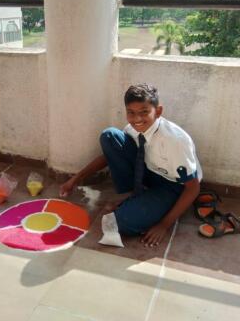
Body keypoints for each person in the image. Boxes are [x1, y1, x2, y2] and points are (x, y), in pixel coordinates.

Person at [59, 83, 202, 247]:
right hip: (151, 173)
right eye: (131, 113)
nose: (137, 119)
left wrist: (164, 225)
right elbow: (108, 157)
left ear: (159, 111)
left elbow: (193, 187)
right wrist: (75, 179)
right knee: (110, 136)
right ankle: (135, 195)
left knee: (122, 222)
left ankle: (147, 203)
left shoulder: (174, 141)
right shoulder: (133, 129)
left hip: (174, 185)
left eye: (144, 112)